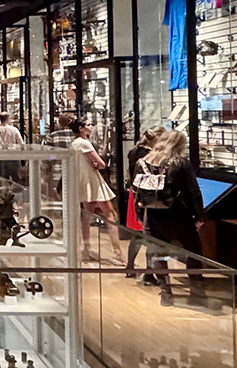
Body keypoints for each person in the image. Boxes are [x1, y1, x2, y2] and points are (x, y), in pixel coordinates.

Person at [135, 129, 209, 307]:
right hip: (178, 213)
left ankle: (165, 292)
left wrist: (140, 214)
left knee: (158, 251)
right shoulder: (181, 163)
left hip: (153, 213)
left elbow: (137, 190)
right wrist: (199, 215)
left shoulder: (143, 162)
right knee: (193, 249)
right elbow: (193, 191)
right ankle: (196, 291)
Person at [67, 119, 120, 259]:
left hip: (83, 180)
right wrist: (97, 164)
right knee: (111, 215)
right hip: (92, 180)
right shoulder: (84, 143)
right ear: (81, 128)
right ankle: (117, 253)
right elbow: (102, 164)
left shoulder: (73, 144)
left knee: (87, 215)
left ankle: (86, 248)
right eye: (88, 125)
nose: (91, 127)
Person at [123, 126, 166, 282]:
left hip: (134, 194)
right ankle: (149, 272)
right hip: (144, 196)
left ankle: (130, 266)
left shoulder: (135, 151)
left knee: (138, 234)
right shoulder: (149, 156)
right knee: (148, 234)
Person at [0, 112, 26, 183]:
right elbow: (21, 145)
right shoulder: (14, 130)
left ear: (0, 120)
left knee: (2, 181)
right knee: (16, 180)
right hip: (13, 158)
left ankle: (4, 193)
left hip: (0, 159)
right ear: (8, 119)